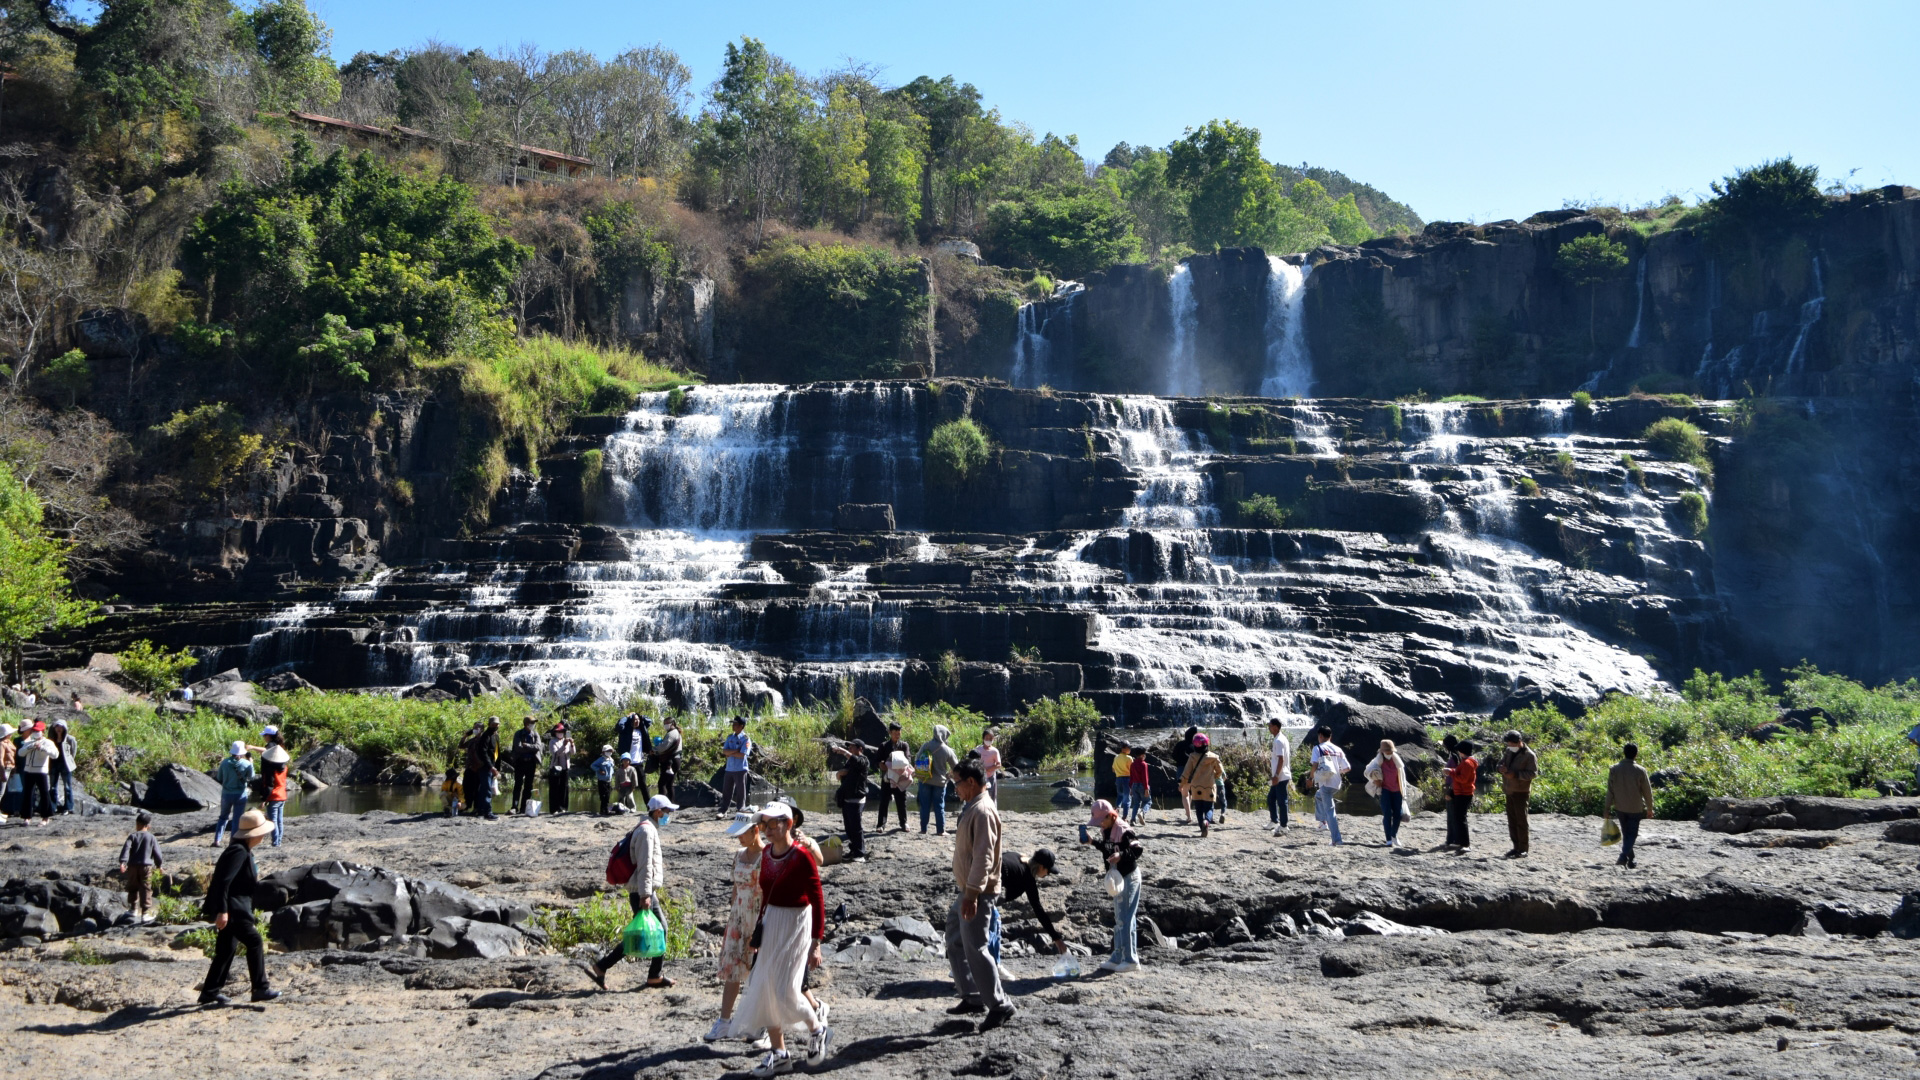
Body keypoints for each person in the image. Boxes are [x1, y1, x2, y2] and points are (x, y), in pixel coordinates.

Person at [731, 802, 832, 1076]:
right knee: (763, 985)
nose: (766, 829)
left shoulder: (801, 857)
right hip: (772, 920)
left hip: (797, 922)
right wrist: (760, 929)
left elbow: (818, 899)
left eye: (772, 824)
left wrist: (816, 942)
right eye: (764, 824)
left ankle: (817, 1028)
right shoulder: (766, 853)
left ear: (788, 824)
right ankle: (780, 1054)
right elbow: (766, 892)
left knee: (786, 990)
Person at [584, 793, 680, 990]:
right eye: (668, 812)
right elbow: (645, 866)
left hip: (641, 890)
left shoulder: (646, 828)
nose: (669, 816)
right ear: (658, 811)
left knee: (641, 933)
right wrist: (646, 895)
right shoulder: (647, 832)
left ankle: (602, 966)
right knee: (660, 930)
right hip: (641, 891)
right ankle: (654, 975)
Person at [944, 761, 1015, 1029]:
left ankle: (1000, 1004)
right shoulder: (973, 807)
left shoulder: (983, 811)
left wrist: (972, 895)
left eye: (957, 783)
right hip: (968, 890)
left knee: (977, 946)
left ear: (971, 782)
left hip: (978, 892)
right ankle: (972, 996)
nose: (955, 788)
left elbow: (984, 857)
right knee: (954, 934)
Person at [198, 808, 279, 1005]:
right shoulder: (238, 851)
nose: (264, 836)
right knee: (254, 941)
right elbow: (223, 882)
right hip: (234, 909)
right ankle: (260, 988)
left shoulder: (243, 850)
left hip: (236, 907)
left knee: (226, 949)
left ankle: (210, 992)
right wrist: (222, 911)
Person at [707, 809, 771, 1047]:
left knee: (759, 973)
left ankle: (761, 1026)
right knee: (732, 967)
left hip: (759, 918)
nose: (738, 838)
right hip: (738, 918)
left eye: (742, 833)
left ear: (756, 830)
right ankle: (724, 1022)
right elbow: (735, 889)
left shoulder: (768, 856)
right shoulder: (738, 854)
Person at [1082, 798, 1145, 973]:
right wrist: (1092, 842)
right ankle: (1118, 957)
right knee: (1119, 919)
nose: (1100, 824)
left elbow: (1137, 849)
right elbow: (1108, 848)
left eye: (1102, 820)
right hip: (1117, 878)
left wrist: (1121, 856)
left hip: (1129, 877)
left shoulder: (1124, 830)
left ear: (1111, 815)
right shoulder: (1106, 830)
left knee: (1126, 918)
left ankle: (1131, 960)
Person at [1000, 847, 1065, 956]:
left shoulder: (1016, 855)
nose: (1047, 874)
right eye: (1048, 871)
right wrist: (1057, 939)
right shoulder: (1027, 879)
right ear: (1041, 867)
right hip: (984, 892)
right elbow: (1038, 910)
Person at [1604, 743, 1656, 869]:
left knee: (1627, 833)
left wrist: (1606, 808)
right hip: (1635, 807)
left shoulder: (1614, 769)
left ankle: (1631, 859)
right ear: (1636, 754)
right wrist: (1650, 808)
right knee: (1631, 834)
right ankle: (1623, 856)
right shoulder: (1640, 770)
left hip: (1620, 806)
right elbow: (1647, 791)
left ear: (1624, 753)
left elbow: (1610, 791)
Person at [1498, 730, 1538, 858]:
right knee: (1512, 820)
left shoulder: (1529, 755)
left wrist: (1516, 775)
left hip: (1521, 792)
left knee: (1521, 821)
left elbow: (1533, 774)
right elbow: (1500, 762)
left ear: (1519, 742)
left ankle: (1523, 849)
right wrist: (1501, 768)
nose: (1509, 746)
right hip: (1509, 790)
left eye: (1511, 744)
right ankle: (1515, 847)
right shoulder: (1509, 751)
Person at [119, 811, 164, 923]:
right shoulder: (151, 837)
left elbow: (126, 849)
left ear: (138, 824)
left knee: (132, 886)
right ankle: (145, 913)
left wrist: (123, 862)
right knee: (146, 888)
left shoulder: (132, 836)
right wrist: (159, 865)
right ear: (148, 825)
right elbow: (157, 853)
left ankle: (133, 909)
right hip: (146, 866)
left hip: (133, 866)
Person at [1364, 740, 1410, 848]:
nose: (1389, 754)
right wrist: (1374, 780)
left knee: (1398, 815)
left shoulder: (1397, 760)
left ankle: (1394, 835)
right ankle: (1388, 839)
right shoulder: (1377, 761)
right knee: (1387, 814)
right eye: (1387, 752)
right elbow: (1367, 772)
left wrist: (1404, 791)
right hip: (1384, 790)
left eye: (1390, 751)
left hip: (1397, 791)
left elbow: (1402, 777)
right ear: (1382, 751)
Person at [1309, 727, 1350, 846]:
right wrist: (1337, 771)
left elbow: (1315, 765)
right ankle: (1323, 823)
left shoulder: (1318, 748)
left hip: (1325, 783)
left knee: (1330, 811)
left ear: (1320, 735)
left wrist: (1310, 779)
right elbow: (1347, 768)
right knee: (1318, 795)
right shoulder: (1338, 749)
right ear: (1330, 736)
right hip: (1337, 784)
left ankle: (1337, 840)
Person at [916, 723, 959, 835]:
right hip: (940, 782)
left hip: (924, 780)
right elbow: (956, 767)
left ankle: (923, 829)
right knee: (939, 806)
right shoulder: (947, 750)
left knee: (924, 805)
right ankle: (940, 830)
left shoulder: (925, 745)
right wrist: (949, 775)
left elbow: (917, 759)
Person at [1179, 734, 1225, 837]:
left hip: (1196, 786)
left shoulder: (1192, 757)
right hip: (1209, 785)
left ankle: (1201, 827)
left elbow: (1186, 772)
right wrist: (1215, 776)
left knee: (1198, 808)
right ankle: (1207, 821)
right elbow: (1220, 770)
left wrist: (1181, 783)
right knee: (1209, 808)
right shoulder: (1214, 757)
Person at [871, 721, 912, 832]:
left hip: (900, 778)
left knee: (901, 801)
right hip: (887, 778)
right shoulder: (884, 746)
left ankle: (904, 823)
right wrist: (881, 764)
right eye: (895, 732)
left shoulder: (904, 745)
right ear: (890, 732)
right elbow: (876, 760)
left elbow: (908, 759)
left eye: (899, 732)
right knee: (884, 801)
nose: (897, 735)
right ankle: (881, 825)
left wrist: (899, 762)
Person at [833, 740, 869, 862]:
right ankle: (853, 850)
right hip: (847, 799)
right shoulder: (850, 762)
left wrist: (843, 752)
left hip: (857, 800)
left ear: (860, 749)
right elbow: (841, 775)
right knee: (849, 827)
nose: (850, 749)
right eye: (849, 748)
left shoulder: (864, 760)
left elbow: (857, 761)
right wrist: (840, 773)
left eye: (852, 747)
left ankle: (860, 854)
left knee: (856, 827)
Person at [213, 742, 255, 846]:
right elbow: (252, 776)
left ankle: (217, 840)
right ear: (242, 753)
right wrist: (251, 763)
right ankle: (233, 841)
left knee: (223, 817)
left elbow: (219, 778)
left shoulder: (224, 763)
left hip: (226, 794)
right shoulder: (246, 763)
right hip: (240, 794)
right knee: (237, 819)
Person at [1442, 739, 1478, 851]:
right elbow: (1460, 773)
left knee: (1461, 819)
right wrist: (1452, 770)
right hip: (1461, 792)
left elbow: (1463, 779)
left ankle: (1465, 844)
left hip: (1464, 793)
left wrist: (1451, 773)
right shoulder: (1466, 761)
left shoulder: (1467, 763)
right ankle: (1461, 842)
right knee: (1459, 818)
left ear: (1462, 751)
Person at [16, 722, 56, 824]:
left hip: (41, 771)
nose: (36, 733)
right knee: (28, 793)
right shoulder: (29, 743)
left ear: (43, 732)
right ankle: (27, 817)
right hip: (28, 771)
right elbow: (20, 753)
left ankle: (45, 817)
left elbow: (55, 754)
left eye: (38, 731)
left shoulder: (48, 742)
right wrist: (31, 746)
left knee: (44, 793)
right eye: (34, 731)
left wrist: (42, 748)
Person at [462, 718, 500, 820]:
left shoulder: (492, 736)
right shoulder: (480, 738)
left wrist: (495, 767)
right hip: (474, 767)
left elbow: (494, 753)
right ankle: (480, 810)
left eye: (478, 728)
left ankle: (480, 809)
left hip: (482, 767)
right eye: (474, 728)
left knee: (482, 789)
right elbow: (462, 746)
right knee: (473, 789)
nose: (476, 729)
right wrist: (466, 735)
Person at [260, 726, 290, 846]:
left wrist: (264, 799)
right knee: (279, 821)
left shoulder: (270, 770)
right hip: (282, 795)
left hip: (273, 796)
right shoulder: (284, 767)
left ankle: (275, 843)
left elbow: (269, 784)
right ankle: (279, 841)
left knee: (273, 821)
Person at [510, 716, 542, 814]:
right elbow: (518, 747)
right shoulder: (518, 734)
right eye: (531, 723)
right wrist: (530, 748)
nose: (533, 724)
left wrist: (527, 745)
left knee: (528, 786)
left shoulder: (535, 734)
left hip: (531, 762)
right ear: (526, 724)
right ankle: (514, 807)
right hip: (520, 762)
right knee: (518, 785)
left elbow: (538, 747)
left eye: (533, 723)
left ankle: (524, 807)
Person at [718, 717, 751, 814]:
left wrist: (730, 753)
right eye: (733, 724)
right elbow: (724, 751)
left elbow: (742, 755)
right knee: (726, 790)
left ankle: (740, 809)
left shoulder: (746, 739)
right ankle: (723, 810)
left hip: (740, 768)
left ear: (741, 726)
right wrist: (735, 751)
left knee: (741, 791)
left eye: (735, 724)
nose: (733, 726)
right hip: (729, 768)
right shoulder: (730, 737)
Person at [1267, 720, 1293, 835]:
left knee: (1282, 801)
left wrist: (1276, 775)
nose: (1269, 727)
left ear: (1276, 727)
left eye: (1270, 726)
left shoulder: (1278, 740)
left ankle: (1283, 825)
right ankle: (1274, 821)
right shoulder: (1281, 738)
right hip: (1279, 775)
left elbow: (1281, 759)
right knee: (1271, 798)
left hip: (1281, 776)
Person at [46, 719, 76, 814]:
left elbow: (73, 752)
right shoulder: (51, 739)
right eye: (57, 726)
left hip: (65, 765)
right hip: (53, 764)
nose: (59, 728)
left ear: (64, 728)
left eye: (61, 726)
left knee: (67, 786)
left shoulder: (70, 739)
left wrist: (70, 761)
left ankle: (68, 807)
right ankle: (53, 806)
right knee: (53, 787)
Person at [546, 721, 575, 814]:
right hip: (556, 768)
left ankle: (563, 808)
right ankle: (554, 809)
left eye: (562, 732)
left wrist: (572, 744)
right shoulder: (552, 741)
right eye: (558, 732)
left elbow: (573, 752)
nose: (560, 733)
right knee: (555, 788)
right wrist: (564, 745)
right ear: (555, 732)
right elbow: (556, 753)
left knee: (564, 788)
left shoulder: (566, 740)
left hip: (565, 767)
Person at [654, 716, 684, 802]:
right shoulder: (675, 732)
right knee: (669, 784)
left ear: (673, 724)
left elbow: (663, 747)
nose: (665, 725)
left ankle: (662, 805)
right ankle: (671, 804)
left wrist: (654, 749)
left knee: (662, 784)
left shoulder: (672, 733)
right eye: (664, 723)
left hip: (670, 762)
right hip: (675, 760)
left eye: (667, 723)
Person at [975, 728, 1003, 803]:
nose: (988, 740)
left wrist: (989, 768)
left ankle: (993, 812)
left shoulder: (995, 751)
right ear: (983, 738)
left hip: (991, 777)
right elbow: (974, 762)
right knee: (979, 795)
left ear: (993, 739)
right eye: (987, 738)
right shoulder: (978, 749)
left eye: (990, 738)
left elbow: (998, 764)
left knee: (992, 796)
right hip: (980, 777)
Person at [591, 744, 617, 816]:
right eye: (608, 751)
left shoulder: (611, 760)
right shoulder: (600, 759)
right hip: (602, 781)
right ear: (604, 752)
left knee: (608, 795)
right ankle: (603, 810)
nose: (610, 752)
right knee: (603, 796)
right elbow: (593, 765)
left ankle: (606, 810)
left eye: (610, 751)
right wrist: (599, 770)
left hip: (609, 780)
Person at [1127, 745, 1150, 824]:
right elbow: (1145, 777)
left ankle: (1132, 820)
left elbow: (1131, 776)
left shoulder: (1132, 764)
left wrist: (1130, 788)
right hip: (1142, 786)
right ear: (1142, 755)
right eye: (1144, 754)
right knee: (1148, 801)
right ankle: (1142, 813)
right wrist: (1146, 788)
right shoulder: (1144, 764)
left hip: (1134, 785)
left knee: (1136, 803)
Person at [1112, 745, 1135, 821]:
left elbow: (1113, 769)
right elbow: (1132, 770)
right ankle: (1124, 817)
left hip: (1118, 778)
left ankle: (1117, 809)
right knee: (1127, 798)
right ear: (1124, 749)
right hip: (1127, 779)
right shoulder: (1129, 758)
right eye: (1129, 748)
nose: (1130, 750)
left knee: (1120, 796)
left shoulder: (1116, 757)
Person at [0, 722, 14, 823]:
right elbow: (0, 759)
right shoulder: (1, 744)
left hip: (9, 768)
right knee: (0, 792)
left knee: (3, 792)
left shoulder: (8, 742)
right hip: (4, 769)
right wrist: (2, 773)